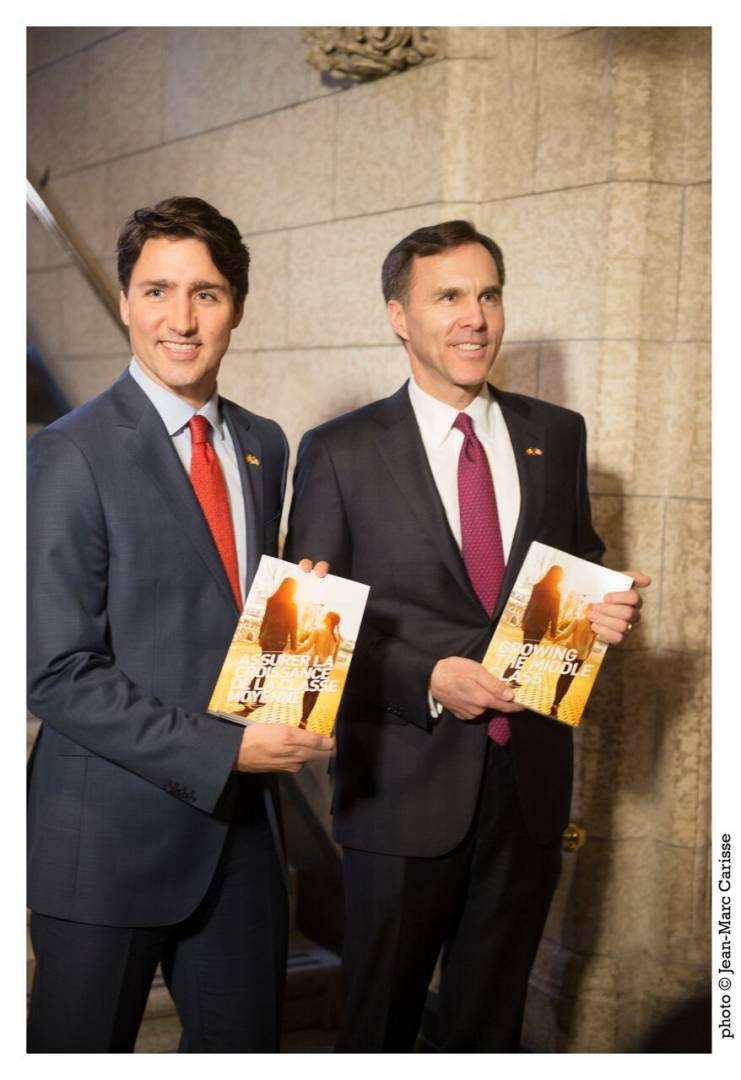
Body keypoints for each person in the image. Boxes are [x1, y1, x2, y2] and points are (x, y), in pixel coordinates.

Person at [285, 220, 649, 1052]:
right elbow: (312, 636)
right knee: (378, 1030)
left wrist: (604, 613)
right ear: (398, 316)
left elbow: (578, 567)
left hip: (526, 791)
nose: (474, 318)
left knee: (489, 1031)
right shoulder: (339, 451)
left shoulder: (557, 434)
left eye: (487, 295)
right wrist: (425, 678)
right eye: (447, 296)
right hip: (400, 793)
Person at [26, 196, 334, 1053]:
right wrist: (224, 750)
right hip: (105, 840)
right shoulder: (68, 452)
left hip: (243, 839)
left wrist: (292, 619)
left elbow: (217, 613)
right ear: (126, 302)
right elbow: (56, 672)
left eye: (206, 293)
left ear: (237, 306)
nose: (182, 319)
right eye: (157, 291)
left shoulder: (263, 444)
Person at [501, 563, 563, 685]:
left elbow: (530, 604)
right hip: (539, 627)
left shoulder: (537, 586)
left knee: (525, 651)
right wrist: (553, 632)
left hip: (529, 623)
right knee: (526, 652)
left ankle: (512, 676)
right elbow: (554, 613)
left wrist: (523, 620)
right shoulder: (556, 593)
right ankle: (507, 674)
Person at [295, 612, 342, 729]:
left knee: (308, 691)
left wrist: (296, 651)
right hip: (324, 668)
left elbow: (307, 646)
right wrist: (329, 669)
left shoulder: (318, 631)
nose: (323, 618)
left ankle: (303, 718)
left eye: (326, 616)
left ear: (329, 620)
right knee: (315, 693)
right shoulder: (337, 638)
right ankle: (304, 719)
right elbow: (334, 657)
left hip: (313, 665)